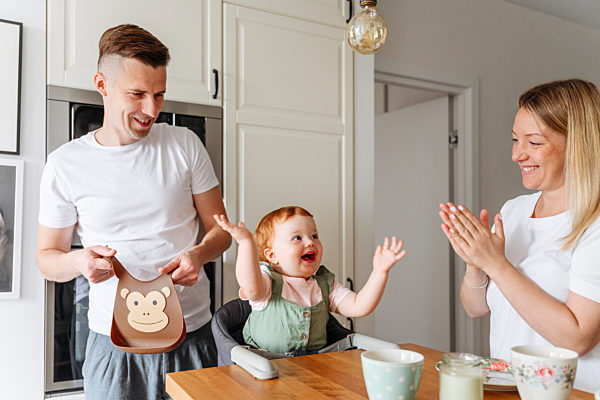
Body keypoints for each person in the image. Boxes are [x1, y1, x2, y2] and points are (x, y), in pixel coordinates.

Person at [36, 24, 231, 399]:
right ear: (102, 84)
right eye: (137, 94)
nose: (152, 110)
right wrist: (80, 262)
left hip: (192, 338)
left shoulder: (185, 145)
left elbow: (220, 231)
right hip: (113, 344)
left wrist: (199, 254)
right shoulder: (64, 165)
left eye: (159, 95)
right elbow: (47, 259)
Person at [438, 79, 600, 392]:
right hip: (510, 390)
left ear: (579, 143)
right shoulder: (513, 211)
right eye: (515, 140)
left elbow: (577, 338)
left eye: (534, 143)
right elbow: (476, 307)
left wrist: (497, 264)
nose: (517, 155)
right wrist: (475, 262)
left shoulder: (593, 223)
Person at [213, 206, 406, 353]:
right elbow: (251, 287)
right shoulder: (268, 282)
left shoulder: (324, 284)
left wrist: (380, 272)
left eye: (314, 235)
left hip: (315, 370)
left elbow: (359, 306)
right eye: (297, 238)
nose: (310, 241)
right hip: (264, 371)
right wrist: (246, 244)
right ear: (272, 255)